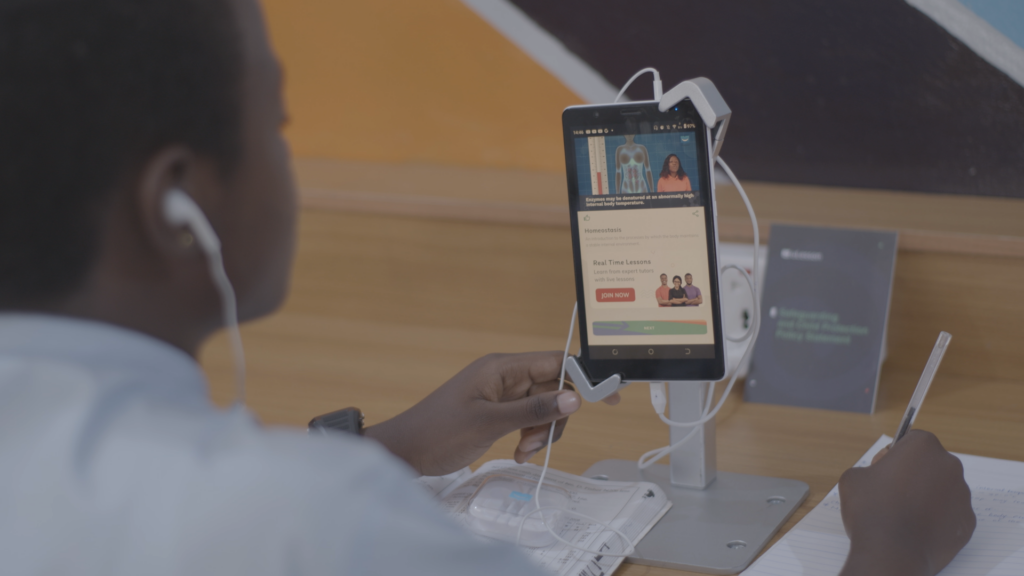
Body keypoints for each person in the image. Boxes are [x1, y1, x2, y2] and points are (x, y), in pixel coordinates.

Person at [0, 1, 974, 575]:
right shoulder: (321, 528)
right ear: (180, 205)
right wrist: (888, 554)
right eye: (280, 127)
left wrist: (397, 446)